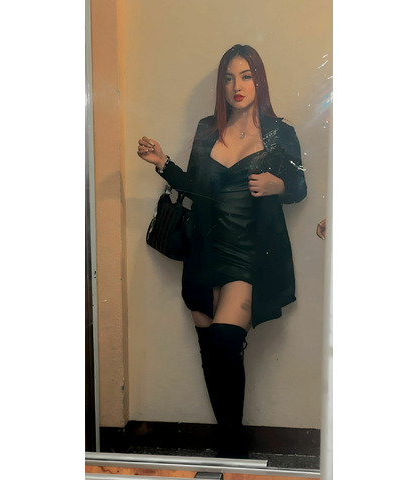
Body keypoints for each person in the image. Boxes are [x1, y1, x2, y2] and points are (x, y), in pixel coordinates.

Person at [137, 44, 307, 458]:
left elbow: (301, 187)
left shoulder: (279, 133)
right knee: (211, 356)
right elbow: (197, 189)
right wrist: (163, 163)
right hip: (205, 253)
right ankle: (230, 448)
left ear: (259, 80)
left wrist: (277, 185)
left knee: (225, 341)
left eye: (246, 75)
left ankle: (234, 451)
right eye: (229, 78)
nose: (237, 85)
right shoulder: (207, 129)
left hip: (247, 256)